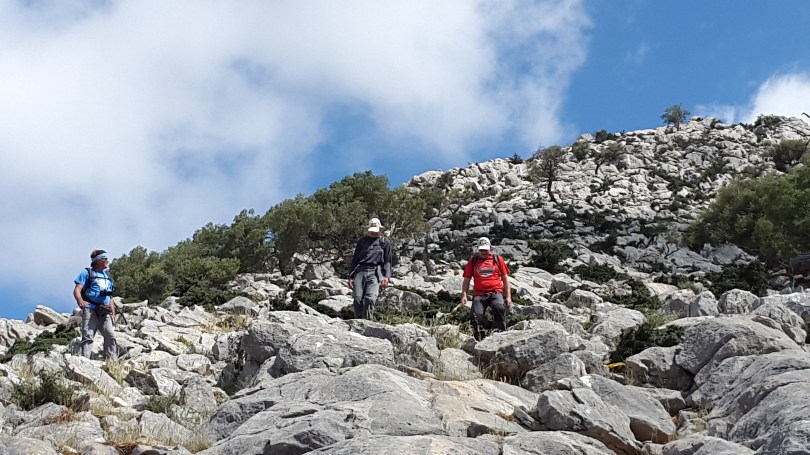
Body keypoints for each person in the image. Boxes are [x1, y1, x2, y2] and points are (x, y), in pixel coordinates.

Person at [461, 237, 512, 340]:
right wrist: (464, 295)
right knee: (476, 316)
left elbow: (505, 279)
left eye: (486, 249)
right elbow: (466, 280)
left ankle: (499, 336)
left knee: (499, 309)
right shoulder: (473, 261)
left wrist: (508, 297)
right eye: (481, 250)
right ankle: (479, 339)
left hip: (495, 292)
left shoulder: (497, 259)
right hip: (479, 294)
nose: (484, 252)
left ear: (490, 248)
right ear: (478, 250)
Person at [73, 249, 118, 360]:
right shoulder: (87, 273)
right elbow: (77, 289)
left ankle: (111, 362)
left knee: (110, 335)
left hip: (105, 311)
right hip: (91, 309)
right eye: (105, 258)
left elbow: (110, 297)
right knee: (88, 336)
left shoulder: (107, 276)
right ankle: (85, 361)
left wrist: (113, 313)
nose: (107, 261)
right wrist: (80, 301)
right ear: (98, 260)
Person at [347, 218, 392, 320]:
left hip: (375, 272)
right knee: (358, 298)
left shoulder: (385, 242)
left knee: (371, 298)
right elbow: (355, 259)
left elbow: (388, 261)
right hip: (360, 271)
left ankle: (367, 321)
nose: (373, 232)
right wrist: (350, 276)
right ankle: (358, 320)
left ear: (380, 229)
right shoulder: (362, 242)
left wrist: (386, 276)